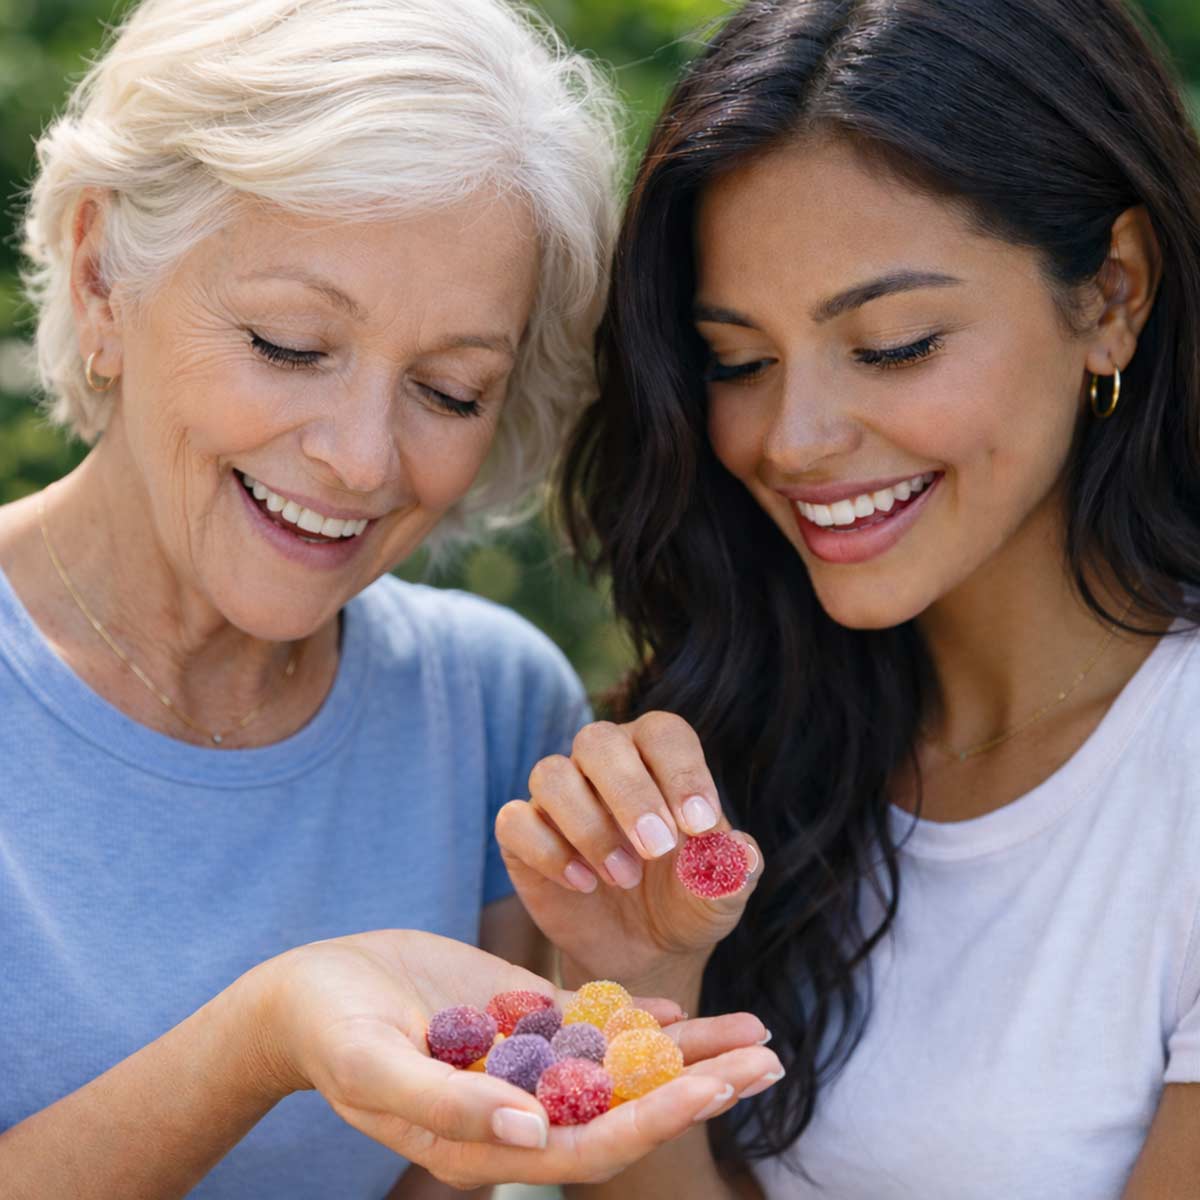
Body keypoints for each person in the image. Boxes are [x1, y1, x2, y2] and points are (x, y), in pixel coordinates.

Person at [0, 0, 783, 1195]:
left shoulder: (487, 707)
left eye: (452, 390)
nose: (364, 459)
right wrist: (258, 1040)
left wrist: (640, 989)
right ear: (104, 272)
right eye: (289, 343)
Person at [496, 0, 1200, 1196]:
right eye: (739, 361)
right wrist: (644, 983)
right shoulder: (748, 749)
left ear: (1113, 295)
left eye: (892, 343)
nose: (796, 440)